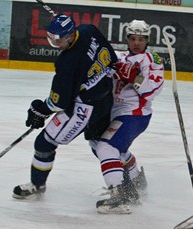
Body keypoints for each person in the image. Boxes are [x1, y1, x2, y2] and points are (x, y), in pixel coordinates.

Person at [12, 14, 118, 199]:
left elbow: (59, 102)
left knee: (44, 144)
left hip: (85, 108)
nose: (54, 43)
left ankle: (37, 184)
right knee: (100, 145)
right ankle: (129, 181)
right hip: (106, 98)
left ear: (70, 36)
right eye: (51, 38)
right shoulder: (88, 29)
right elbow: (112, 58)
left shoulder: (67, 62)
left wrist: (39, 109)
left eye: (58, 40)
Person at [90, 19, 165, 214]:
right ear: (127, 39)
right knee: (100, 144)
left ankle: (119, 194)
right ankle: (135, 181)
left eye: (141, 39)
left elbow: (152, 91)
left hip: (135, 114)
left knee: (107, 146)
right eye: (133, 38)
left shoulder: (152, 60)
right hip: (114, 114)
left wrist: (135, 77)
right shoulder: (117, 57)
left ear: (147, 40)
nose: (137, 43)